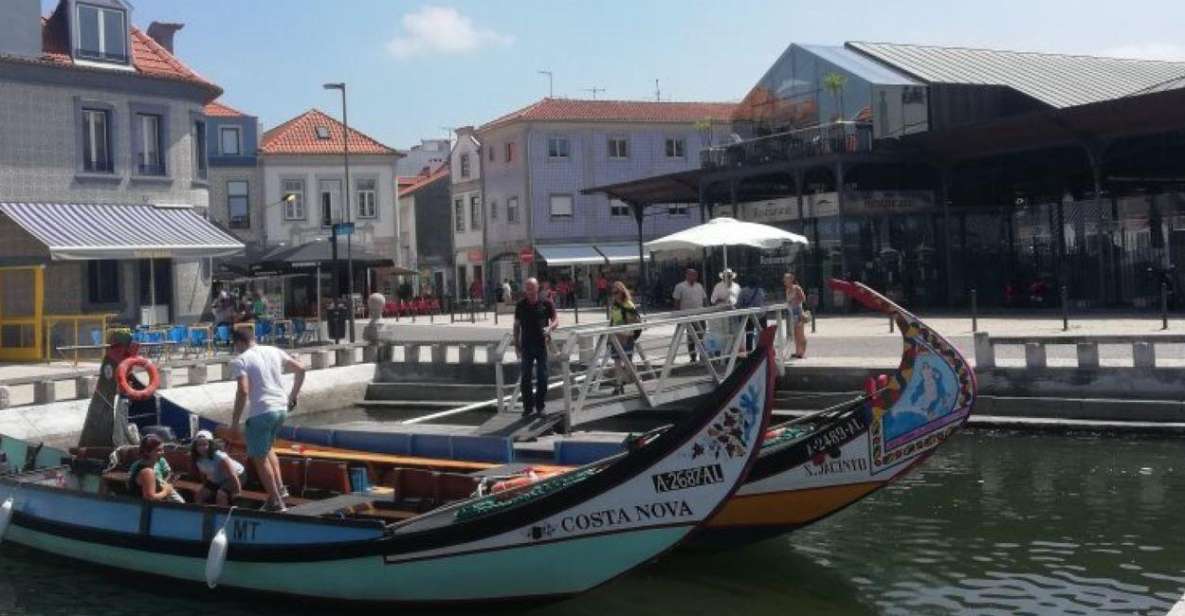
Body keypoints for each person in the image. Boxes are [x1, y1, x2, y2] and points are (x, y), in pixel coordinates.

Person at [228, 328, 305, 512]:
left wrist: (234, 423)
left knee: (259, 458)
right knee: (268, 448)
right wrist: (293, 396)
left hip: (261, 412)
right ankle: (279, 490)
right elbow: (301, 368)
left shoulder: (240, 360)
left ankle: (276, 501)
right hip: (280, 409)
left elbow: (243, 391)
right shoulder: (274, 350)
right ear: (253, 338)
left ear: (238, 343)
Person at [514, 278, 558, 416]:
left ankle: (540, 406)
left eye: (532, 288)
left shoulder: (546, 303)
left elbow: (556, 320)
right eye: (527, 288)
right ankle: (528, 408)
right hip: (526, 345)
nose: (530, 291)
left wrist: (550, 328)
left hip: (541, 345)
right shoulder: (520, 305)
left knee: (542, 377)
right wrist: (516, 344)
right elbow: (516, 326)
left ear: (537, 288)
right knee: (526, 377)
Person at [190, 430, 245, 506]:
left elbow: (232, 474)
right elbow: (203, 475)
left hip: (237, 476)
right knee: (199, 496)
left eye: (205, 444)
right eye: (199, 445)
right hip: (217, 479)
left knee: (221, 494)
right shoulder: (197, 459)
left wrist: (237, 492)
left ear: (211, 444)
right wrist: (206, 488)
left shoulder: (219, 456)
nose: (202, 448)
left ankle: (222, 515)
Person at [129, 434, 184, 503]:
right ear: (147, 452)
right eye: (158, 450)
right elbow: (149, 498)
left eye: (162, 450)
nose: (162, 453)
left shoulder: (142, 467)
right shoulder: (147, 472)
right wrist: (166, 491)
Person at [609, 282, 642, 394]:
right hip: (615, 336)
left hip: (627, 337)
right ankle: (618, 386)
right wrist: (609, 334)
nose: (614, 294)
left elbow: (636, 320)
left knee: (627, 362)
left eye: (616, 292)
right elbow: (612, 320)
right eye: (613, 292)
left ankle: (637, 380)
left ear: (622, 292)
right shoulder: (614, 305)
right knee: (617, 362)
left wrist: (626, 329)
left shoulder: (628, 304)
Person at [672, 268, 707, 361]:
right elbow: (676, 302)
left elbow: (704, 299)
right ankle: (693, 357)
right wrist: (678, 316)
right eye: (691, 275)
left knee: (702, 337)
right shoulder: (680, 286)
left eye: (695, 275)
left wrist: (706, 311)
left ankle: (703, 357)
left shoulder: (699, 286)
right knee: (691, 338)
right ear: (686, 275)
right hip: (688, 317)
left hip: (700, 315)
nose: (694, 277)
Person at [784, 272, 807, 359]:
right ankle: (798, 352)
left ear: (791, 279)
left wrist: (795, 301)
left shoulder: (796, 288)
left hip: (798, 312)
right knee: (795, 334)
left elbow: (803, 298)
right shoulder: (787, 289)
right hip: (791, 313)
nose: (784, 281)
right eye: (784, 279)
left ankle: (802, 353)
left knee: (800, 333)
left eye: (786, 279)